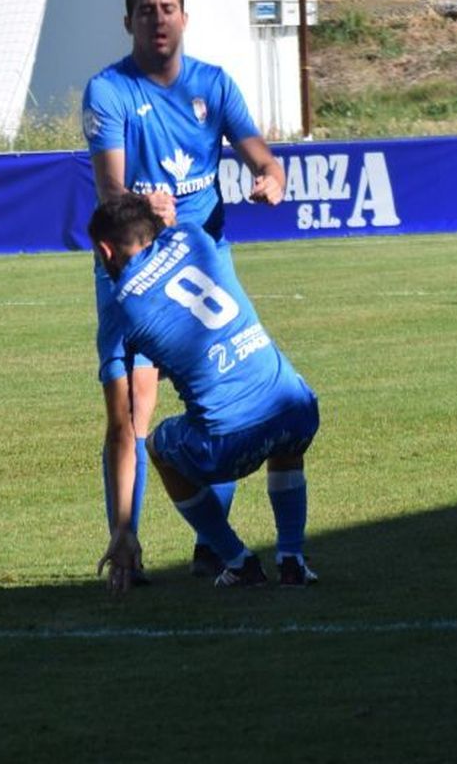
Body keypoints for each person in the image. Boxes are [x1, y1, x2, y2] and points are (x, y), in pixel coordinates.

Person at [81, 0, 287, 579]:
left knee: (227, 400)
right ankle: (126, 540)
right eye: (146, 9)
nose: (158, 17)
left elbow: (259, 153)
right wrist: (148, 210)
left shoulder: (213, 84)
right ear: (129, 23)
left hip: (202, 266)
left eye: (168, 7)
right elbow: (110, 194)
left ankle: (213, 547)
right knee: (130, 410)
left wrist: (271, 177)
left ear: (185, 17)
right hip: (135, 272)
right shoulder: (108, 91)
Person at [89, 194, 319, 593]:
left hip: (227, 443)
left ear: (105, 250)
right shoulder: (193, 236)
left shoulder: (122, 310)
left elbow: (123, 427)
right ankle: (292, 559)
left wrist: (123, 527)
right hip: (297, 411)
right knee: (275, 397)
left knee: (159, 445)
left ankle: (237, 560)